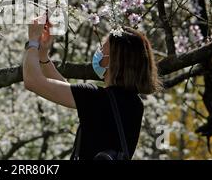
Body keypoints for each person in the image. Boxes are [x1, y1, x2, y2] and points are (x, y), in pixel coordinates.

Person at [22, 15, 162, 159]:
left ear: (114, 59)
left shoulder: (96, 98)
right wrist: (43, 55)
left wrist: (33, 41)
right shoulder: (134, 103)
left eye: (103, 48)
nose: (99, 52)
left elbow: (32, 81)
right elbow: (67, 90)